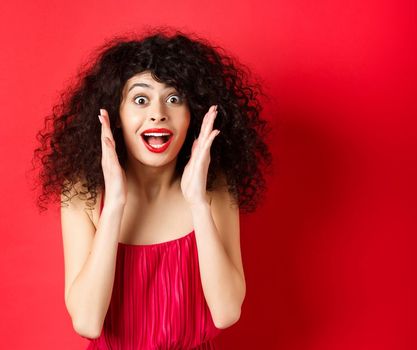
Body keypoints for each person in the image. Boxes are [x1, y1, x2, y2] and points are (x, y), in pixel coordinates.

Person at [31, 28, 272, 348]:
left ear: (193, 115)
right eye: (140, 99)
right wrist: (114, 203)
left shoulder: (215, 189)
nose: (158, 113)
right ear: (116, 115)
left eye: (174, 99)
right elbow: (87, 322)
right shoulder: (83, 194)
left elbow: (226, 313)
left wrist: (198, 203)